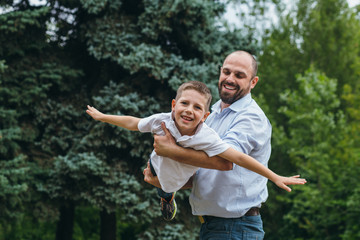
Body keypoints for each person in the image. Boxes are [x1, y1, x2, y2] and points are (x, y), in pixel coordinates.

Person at [87, 80, 305, 223]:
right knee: (155, 179)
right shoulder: (162, 120)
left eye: (197, 108)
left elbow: (237, 157)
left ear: (205, 116)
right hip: (156, 166)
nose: (189, 110)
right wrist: (103, 116)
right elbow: (134, 123)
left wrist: (274, 176)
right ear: (174, 105)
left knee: (166, 187)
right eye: (184, 103)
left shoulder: (206, 136)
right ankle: (166, 195)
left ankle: (167, 194)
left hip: (177, 178)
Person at [143, 51, 288, 239]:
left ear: (253, 82)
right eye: (226, 72)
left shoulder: (250, 117)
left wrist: (172, 151)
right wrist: (167, 182)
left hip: (235, 228)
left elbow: (224, 162)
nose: (230, 79)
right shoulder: (212, 114)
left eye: (239, 75)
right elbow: (204, 175)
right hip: (214, 227)